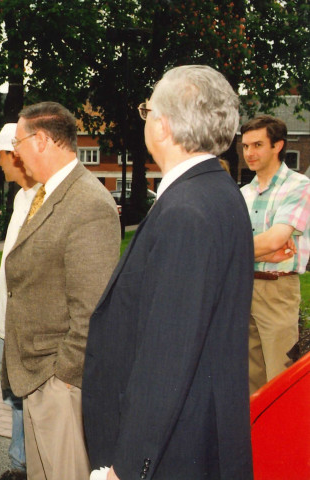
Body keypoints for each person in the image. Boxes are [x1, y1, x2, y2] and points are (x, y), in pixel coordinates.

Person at [83, 65, 254, 480]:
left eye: (147, 111)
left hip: (176, 451)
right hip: (199, 434)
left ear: (162, 126)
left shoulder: (186, 211)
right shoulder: (217, 191)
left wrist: (127, 467)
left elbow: (168, 354)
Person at [4, 101, 120, 480]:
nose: (15, 152)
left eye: (18, 142)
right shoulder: (48, 194)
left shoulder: (88, 203)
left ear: (40, 140)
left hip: (58, 380)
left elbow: (91, 309)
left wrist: (62, 377)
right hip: (36, 373)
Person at [0, 123, 38, 480]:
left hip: (23, 325)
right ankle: (20, 463)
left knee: (28, 402)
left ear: (16, 156)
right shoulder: (19, 197)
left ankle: (27, 467)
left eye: (1, 155)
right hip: (5, 321)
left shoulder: (42, 200)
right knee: (15, 400)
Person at [240, 115, 310, 394]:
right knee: (248, 380)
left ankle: (282, 438)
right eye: (245, 146)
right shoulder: (242, 193)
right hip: (242, 287)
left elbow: (276, 239)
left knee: (279, 381)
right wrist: (261, 248)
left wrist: (238, 249)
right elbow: (266, 244)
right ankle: (255, 439)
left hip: (277, 290)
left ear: (278, 146)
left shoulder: (298, 186)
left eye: (257, 145)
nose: (249, 153)